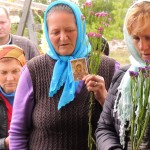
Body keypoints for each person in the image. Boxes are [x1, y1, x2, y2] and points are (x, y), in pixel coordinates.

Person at [9, 1, 119, 149]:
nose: (63, 37)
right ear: (47, 34)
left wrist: (104, 98)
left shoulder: (110, 68)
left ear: (80, 29)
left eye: (69, 30)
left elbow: (124, 126)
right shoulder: (33, 71)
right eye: (55, 32)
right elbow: (18, 134)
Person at [96, 0, 150, 149]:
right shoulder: (123, 77)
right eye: (136, 38)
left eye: (149, 37)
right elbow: (105, 128)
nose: (143, 47)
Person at [0, 44, 26, 150]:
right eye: (3, 72)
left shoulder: (35, 95)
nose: (10, 78)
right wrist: (4, 143)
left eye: (15, 71)